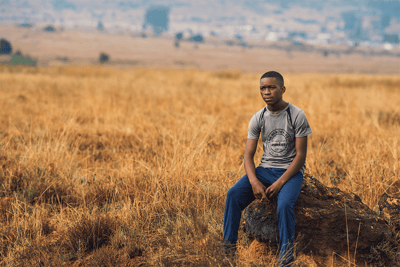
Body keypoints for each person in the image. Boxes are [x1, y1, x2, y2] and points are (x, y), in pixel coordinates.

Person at [223, 71, 312, 266]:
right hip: (264, 170)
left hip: (290, 173)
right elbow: (248, 155)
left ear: (282, 89)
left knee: (284, 205)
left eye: (271, 87)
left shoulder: (296, 115)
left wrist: (280, 183)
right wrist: (254, 182)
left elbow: (301, 156)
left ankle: (285, 258)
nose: (266, 92)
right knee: (233, 195)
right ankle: (227, 254)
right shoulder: (258, 117)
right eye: (262, 88)